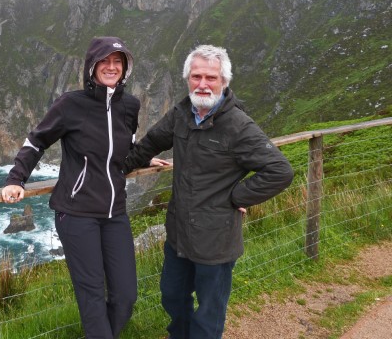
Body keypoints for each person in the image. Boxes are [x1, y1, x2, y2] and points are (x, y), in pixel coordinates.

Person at [124, 44, 294, 339]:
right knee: (172, 296)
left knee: (209, 311)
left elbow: (280, 171)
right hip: (179, 232)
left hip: (216, 239)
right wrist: (112, 170)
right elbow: (149, 144)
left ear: (224, 82)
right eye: (196, 76)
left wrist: (237, 198)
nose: (203, 84)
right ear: (188, 79)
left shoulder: (238, 126)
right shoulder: (181, 114)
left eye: (211, 78)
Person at [2, 36, 140, 339]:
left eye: (118, 61)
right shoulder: (70, 104)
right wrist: (16, 179)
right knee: (91, 295)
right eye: (105, 61)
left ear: (125, 67)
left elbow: (127, 147)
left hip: (115, 212)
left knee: (126, 295)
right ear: (92, 66)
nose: (111, 67)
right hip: (76, 213)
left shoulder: (130, 105)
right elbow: (37, 140)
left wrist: (145, 158)